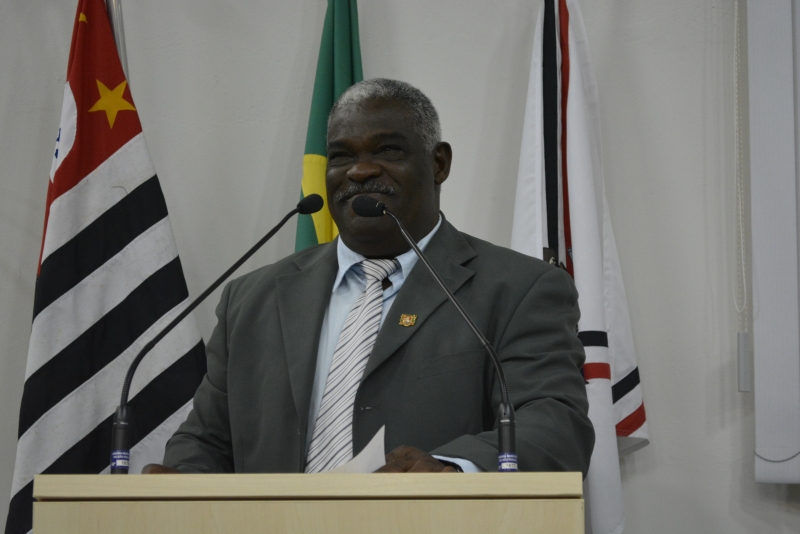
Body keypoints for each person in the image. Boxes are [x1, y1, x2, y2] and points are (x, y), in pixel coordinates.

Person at [146, 78, 594, 475]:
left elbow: (553, 426)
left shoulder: (519, 288)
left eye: (387, 151)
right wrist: (182, 480)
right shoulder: (251, 299)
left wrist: (452, 469)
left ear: (439, 163)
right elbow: (206, 442)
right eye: (342, 156)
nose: (360, 171)